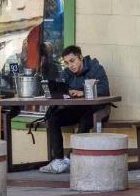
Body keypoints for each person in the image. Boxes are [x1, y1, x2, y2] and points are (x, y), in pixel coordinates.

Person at [41, 45, 110, 174]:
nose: (70, 65)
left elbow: (104, 90)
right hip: (77, 109)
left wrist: (82, 93)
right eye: (67, 63)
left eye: (72, 61)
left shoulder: (96, 68)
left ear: (81, 57)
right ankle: (58, 160)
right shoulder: (66, 73)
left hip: (98, 109)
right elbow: (59, 88)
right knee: (53, 119)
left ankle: (71, 159)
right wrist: (67, 91)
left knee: (85, 122)